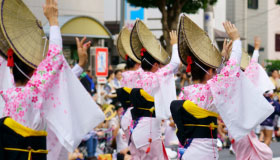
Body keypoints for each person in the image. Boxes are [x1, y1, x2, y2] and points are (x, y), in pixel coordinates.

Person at [0, 0, 105, 159]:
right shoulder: (32, 93)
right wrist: (53, 21)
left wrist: (79, 66)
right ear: (35, 70)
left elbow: (54, 81)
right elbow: (54, 57)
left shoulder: (7, 94)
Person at [171, 15, 273, 160]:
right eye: (214, 70)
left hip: (188, 151)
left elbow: (224, 76)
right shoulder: (209, 91)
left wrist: (221, 59)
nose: (216, 75)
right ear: (209, 72)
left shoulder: (185, 93)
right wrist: (236, 40)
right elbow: (230, 71)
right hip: (204, 154)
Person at [124, 20, 180, 160]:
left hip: (134, 126)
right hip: (149, 130)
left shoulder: (136, 76)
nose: (161, 68)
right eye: (160, 65)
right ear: (155, 65)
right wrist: (174, 45)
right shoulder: (154, 77)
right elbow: (174, 64)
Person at [231, 37, 275, 160]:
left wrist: (225, 56)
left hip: (234, 128)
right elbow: (253, 65)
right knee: (256, 154)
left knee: (242, 155)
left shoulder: (228, 81)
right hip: (245, 128)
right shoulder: (246, 82)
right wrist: (256, 49)